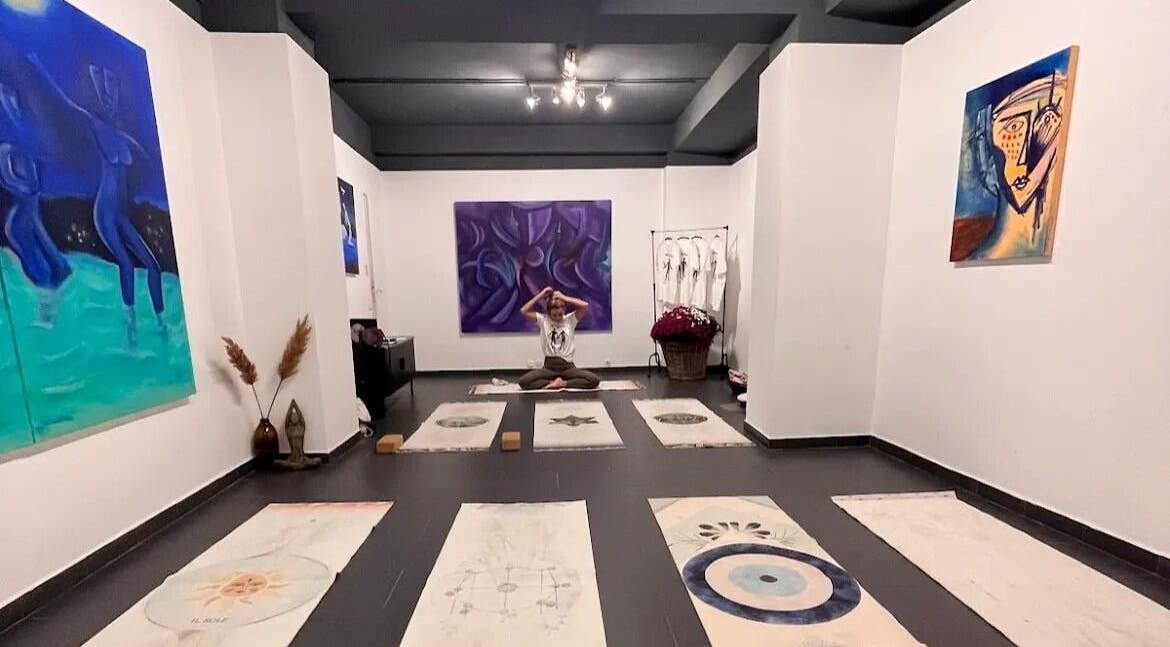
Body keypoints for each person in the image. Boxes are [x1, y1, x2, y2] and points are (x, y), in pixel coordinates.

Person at [517, 287, 601, 391]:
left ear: (564, 311)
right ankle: (552, 383)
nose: (557, 318)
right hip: (549, 368)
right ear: (548, 313)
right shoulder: (543, 320)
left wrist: (563, 297)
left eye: (560, 314)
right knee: (524, 382)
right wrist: (541, 295)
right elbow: (524, 310)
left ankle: (563, 383)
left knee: (593, 380)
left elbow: (585, 306)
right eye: (554, 315)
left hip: (568, 367)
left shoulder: (570, 320)